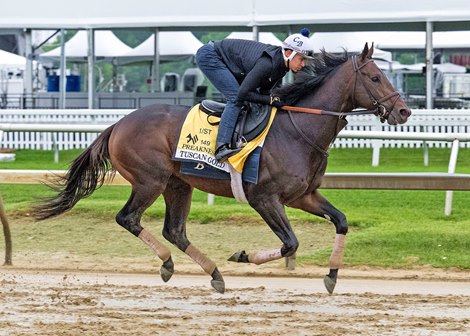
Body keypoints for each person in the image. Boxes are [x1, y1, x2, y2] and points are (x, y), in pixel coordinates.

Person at [195, 28, 315, 163]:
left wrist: (273, 100)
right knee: (235, 99)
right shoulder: (268, 64)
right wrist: (270, 100)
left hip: (227, 61)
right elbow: (243, 94)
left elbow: (264, 94)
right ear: (288, 53)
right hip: (210, 55)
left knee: (249, 102)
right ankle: (221, 147)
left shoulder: (281, 67)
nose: (303, 64)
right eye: (301, 59)